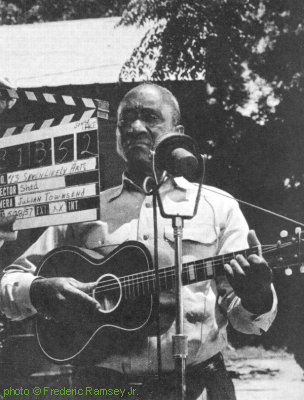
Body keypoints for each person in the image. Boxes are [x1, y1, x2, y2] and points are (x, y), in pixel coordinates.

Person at [0, 83, 277, 400]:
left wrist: (258, 298)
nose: (134, 128)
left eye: (149, 117)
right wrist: (39, 290)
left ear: (177, 131)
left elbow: (246, 320)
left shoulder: (218, 207)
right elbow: (9, 282)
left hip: (198, 388)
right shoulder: (84, 208)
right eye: (125, 120)